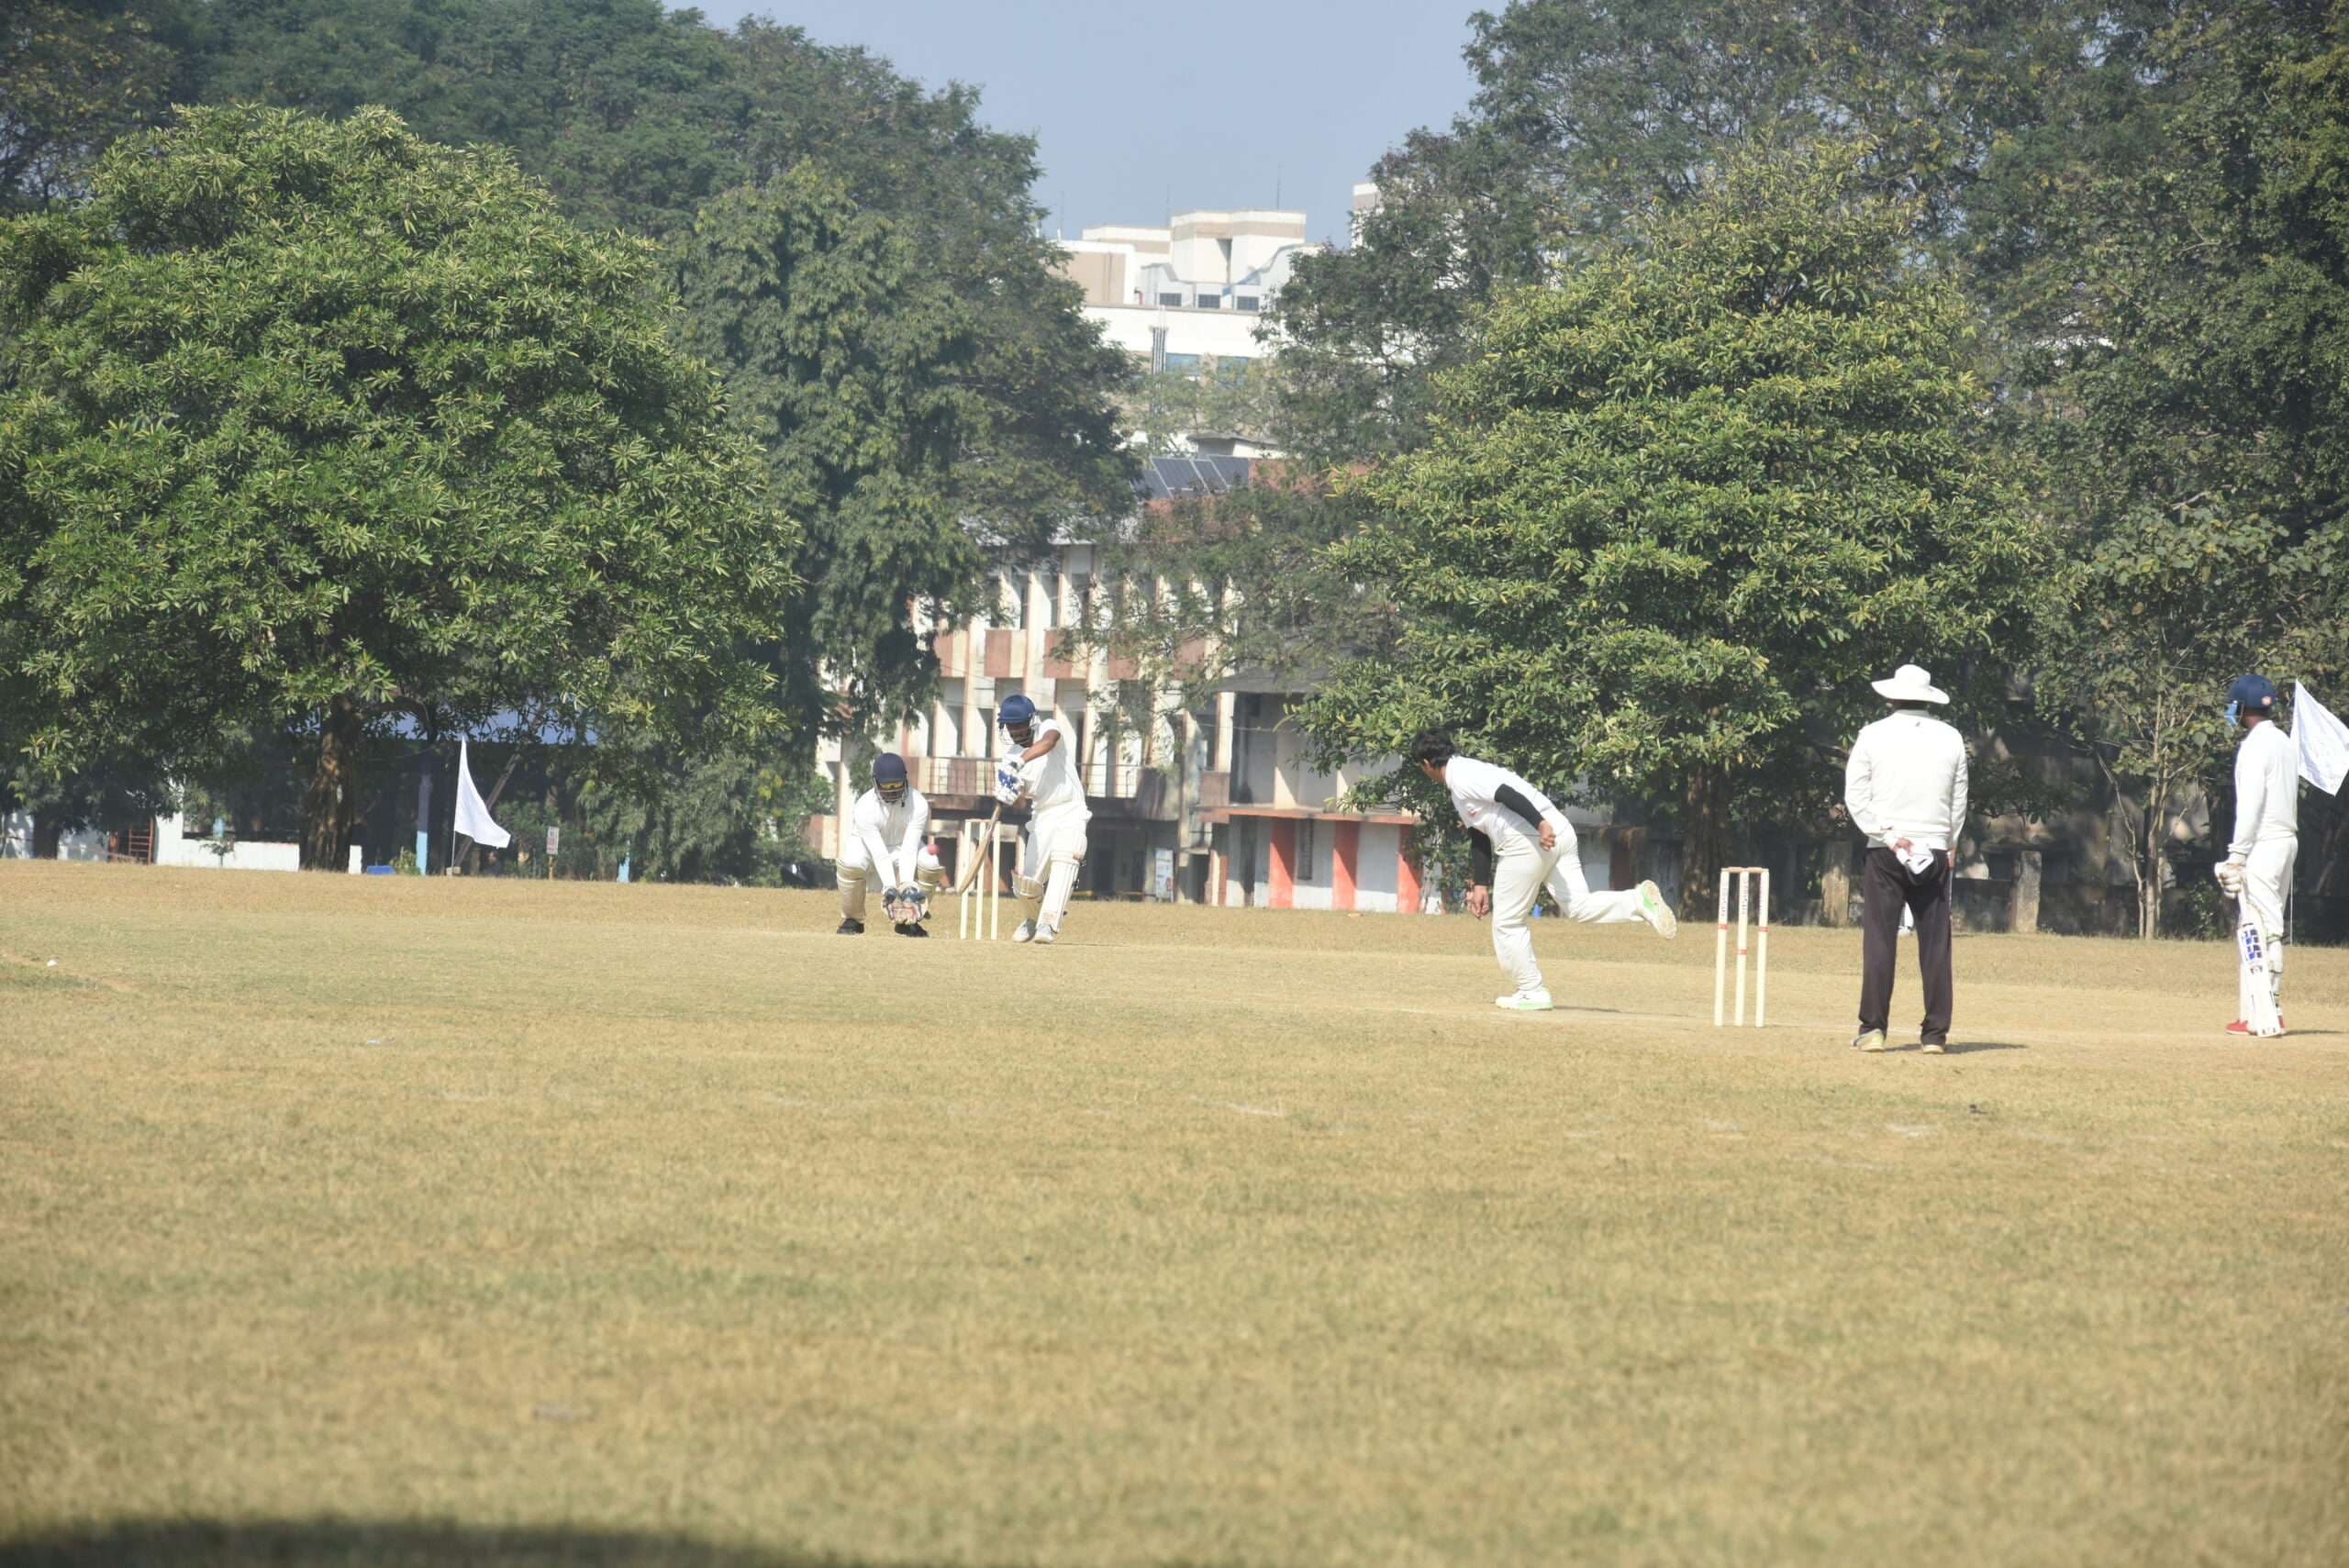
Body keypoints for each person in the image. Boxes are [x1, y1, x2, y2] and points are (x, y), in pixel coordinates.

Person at [1409, 730, 1676, 1012]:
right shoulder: (1462, 781)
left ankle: (1531, 991)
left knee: (1507, 922)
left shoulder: (1462, 774)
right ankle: (1638, 901)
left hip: (1530, 839)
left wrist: (1539, 824)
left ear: (1426, 763)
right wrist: (1480, 885)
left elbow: (1505, 794)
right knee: (1579, 907)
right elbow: (1479, 835)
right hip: (1558, 830)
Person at [1843, 663, 1968, 1052]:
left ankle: (1873, 1030)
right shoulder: (1951, 738)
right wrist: (1949, 843)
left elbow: (1856, 796)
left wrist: (1885, 832)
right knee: (1936, 946)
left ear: (1892, 696)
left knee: (1880, 940)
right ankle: (1934, 1036)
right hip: (1932, 847)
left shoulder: (1872, 734)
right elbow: (1958, 799)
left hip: (1886, 849)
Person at [2216, 674, 2297, 1035]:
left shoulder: (2254, 747)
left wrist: (2237, 854)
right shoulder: (2283, 741)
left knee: (2260, 929)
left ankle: (2268, 1013)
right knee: (2268, 927)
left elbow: (2251, 805)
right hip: (2286, 841)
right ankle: (2253, 1012)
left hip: (2263, 845)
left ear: (2241, 707)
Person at [996, 694, 1091, 945]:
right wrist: (1009, 792)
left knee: (1066, 859)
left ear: (1031, 721)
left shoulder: (1048, 728)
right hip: (1042, 815)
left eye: (1019, 724)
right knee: (1027, 884)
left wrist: (1020, 761)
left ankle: (1048, 923)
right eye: (1010, 726)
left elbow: (1049, 742)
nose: (1015, 731)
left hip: (1070, 808)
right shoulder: (1010, 758)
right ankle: (1032, 918)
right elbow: (1019, 801)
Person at [837, 753, 942, 937]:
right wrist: (890, 888)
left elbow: (910, 848)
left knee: (931, 864)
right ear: (876, 783)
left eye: (897, 785)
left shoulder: (919, 804)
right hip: (866, 847)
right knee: (851, 863)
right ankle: (852, 919)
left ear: (905, 780)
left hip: (902, 846)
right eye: (886, 786)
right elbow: (879, 853)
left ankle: (911, 920)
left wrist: (907, 887)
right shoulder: (864, 807)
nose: (892, 792)